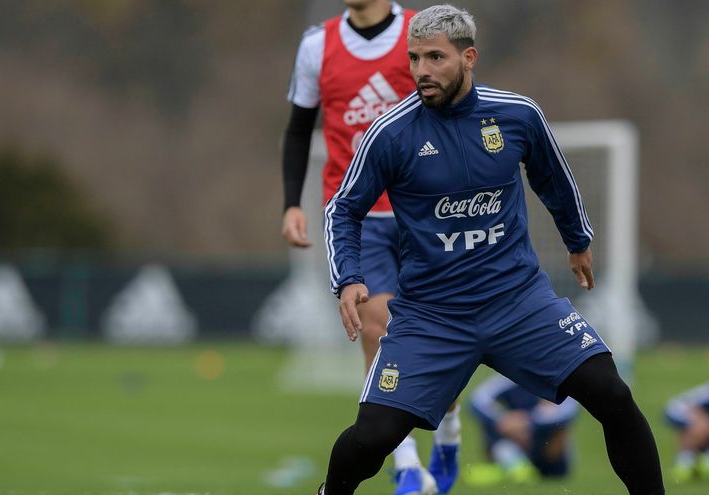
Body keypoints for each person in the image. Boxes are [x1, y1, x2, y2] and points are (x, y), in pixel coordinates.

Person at [317, 4, 665, 494]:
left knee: (611, 393)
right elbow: (343, 209)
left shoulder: (517, 115)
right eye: (414, 58)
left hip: (518, 303)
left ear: (468, 57)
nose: (421, 70)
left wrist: (577, 240)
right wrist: (349, 277)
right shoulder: (391, 133)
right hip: (432, 317)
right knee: (373, 437)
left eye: (435, 57)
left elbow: (553, 179)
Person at [281, 1, 460, 493]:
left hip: (425, 211)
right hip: (356, 216)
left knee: (443, 337)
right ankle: (407, 465)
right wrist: (291, 203)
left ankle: (450, 430)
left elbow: (455, 110)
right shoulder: (317, 45)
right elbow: (299, 128)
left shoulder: (418, 34)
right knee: (378, 331)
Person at [463, 374, 578, 487]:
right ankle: (513, 465)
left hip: (546, 451)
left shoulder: (555, 377)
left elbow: (569, 410)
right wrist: (504, 420)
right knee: (492, 421)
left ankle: (513, 467)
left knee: (559, 427)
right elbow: (476, 400)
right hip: (514, 439)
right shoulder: (509, 377)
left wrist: (528, 422)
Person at [664, 382, 709, 483]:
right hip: (678, 409)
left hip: (690, 410)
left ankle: (696, 462)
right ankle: (684, 465)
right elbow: (692, 406)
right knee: (702, 426)